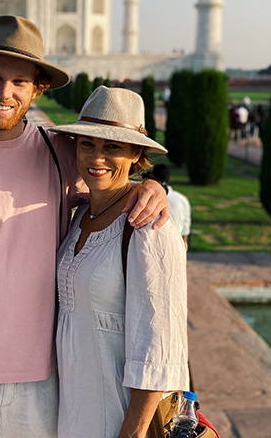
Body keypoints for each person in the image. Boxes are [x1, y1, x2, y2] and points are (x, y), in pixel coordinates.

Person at [0, 15, 169, 438]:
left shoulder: (58, 151)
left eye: (20, 82)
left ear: (36, 88)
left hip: (44, 376)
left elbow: (110, 178)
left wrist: (150, 186)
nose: (5, 92)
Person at [50, 86, 189, 438]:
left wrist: (132, 434)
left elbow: (160, 350)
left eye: (112, 147)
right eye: (87, 144)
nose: (97, 158)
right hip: (72, 413)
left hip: (119, 420)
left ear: (135, 153)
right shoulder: (80, 214)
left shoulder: (148, 227)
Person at [151, 163, 192, 249]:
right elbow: (185, 232)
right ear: (169, 178)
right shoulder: (182, 199)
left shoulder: (148, 198)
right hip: (176, 246)